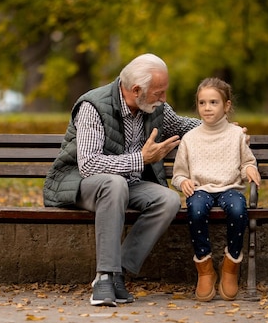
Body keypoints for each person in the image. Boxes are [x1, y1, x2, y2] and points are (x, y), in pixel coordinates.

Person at [43, 53, 202, 306]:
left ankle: (118, 272)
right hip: (80, 182)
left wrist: (227, 130)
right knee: (113, 183)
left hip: (127, 184)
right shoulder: (93, 106)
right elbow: (90, 165)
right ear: (136, 89)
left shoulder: (156, 108)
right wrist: (141, 159)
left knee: (169, 200)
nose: (164, 99)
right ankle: (104, 276)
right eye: (159, 93)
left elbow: (184, 125)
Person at [171, 77, 261, 302]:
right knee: (196, 209)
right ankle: (205, 269)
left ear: (226, 106)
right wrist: (183, 182)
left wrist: (250, 169)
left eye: (213, 102)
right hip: (201, 189)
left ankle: (231, 267)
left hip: (229, 188)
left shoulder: (236, 135)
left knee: (238, 208)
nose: (207, 108)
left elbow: (247, 162)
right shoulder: (190, 138)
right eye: (202, 103)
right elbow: (179, 173)